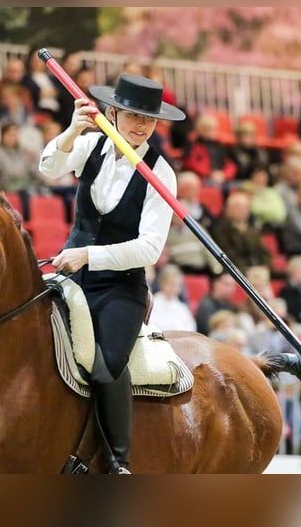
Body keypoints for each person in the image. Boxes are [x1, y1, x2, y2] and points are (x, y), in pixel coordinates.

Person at [38, 74, 185, 474]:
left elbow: (149, 249)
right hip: (72, 275)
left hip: (119, 288)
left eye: (149, 119)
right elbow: (49, 168)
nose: (141, 126)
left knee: (105, 366)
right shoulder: (91, 145)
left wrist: (88, 255)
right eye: (133, 115)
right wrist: (70, 130)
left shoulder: (161, 173)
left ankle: (117, 462)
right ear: (111, 112)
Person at [148, 264, 197, 332]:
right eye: (171, 284)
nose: (174, 288)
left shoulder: (182, 307)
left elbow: (191, 327)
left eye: (177, 285)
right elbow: (152, 326)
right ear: (162, 283)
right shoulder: (153, 304)